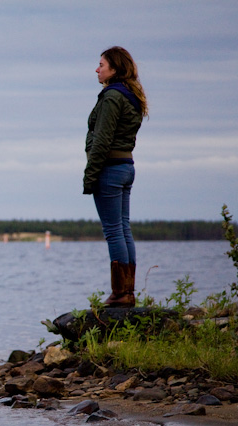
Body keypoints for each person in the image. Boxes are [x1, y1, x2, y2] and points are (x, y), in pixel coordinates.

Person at [83, 46, 148, 307]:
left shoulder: (111, 97)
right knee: (123, 228)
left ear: (115, 69)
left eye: (101, 64)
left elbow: (102, 141)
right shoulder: (131, 95)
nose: (97, 69)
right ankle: (127, 292)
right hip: (126, 167)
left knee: (113, 231)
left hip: (110, 169)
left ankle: (120, 294)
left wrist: (90, 176)